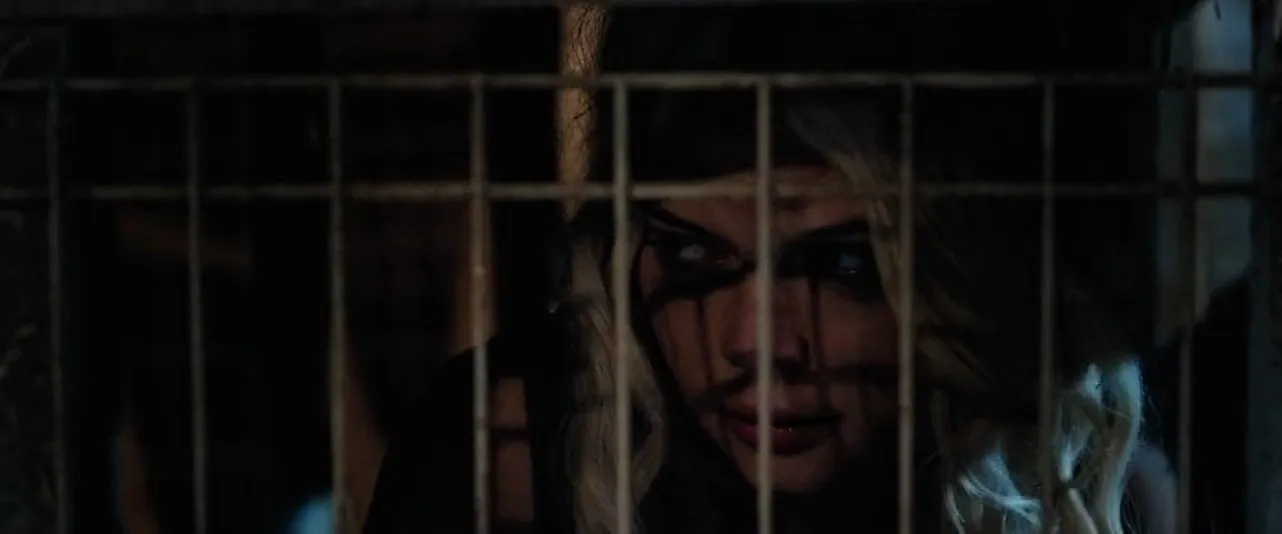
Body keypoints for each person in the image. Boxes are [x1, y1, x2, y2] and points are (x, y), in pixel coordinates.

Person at [364, 9, 1177, 534]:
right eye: (691, 256)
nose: (758, 343)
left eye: (845, 265)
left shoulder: (1074, 474)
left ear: (958, 264)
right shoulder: (506, 454)